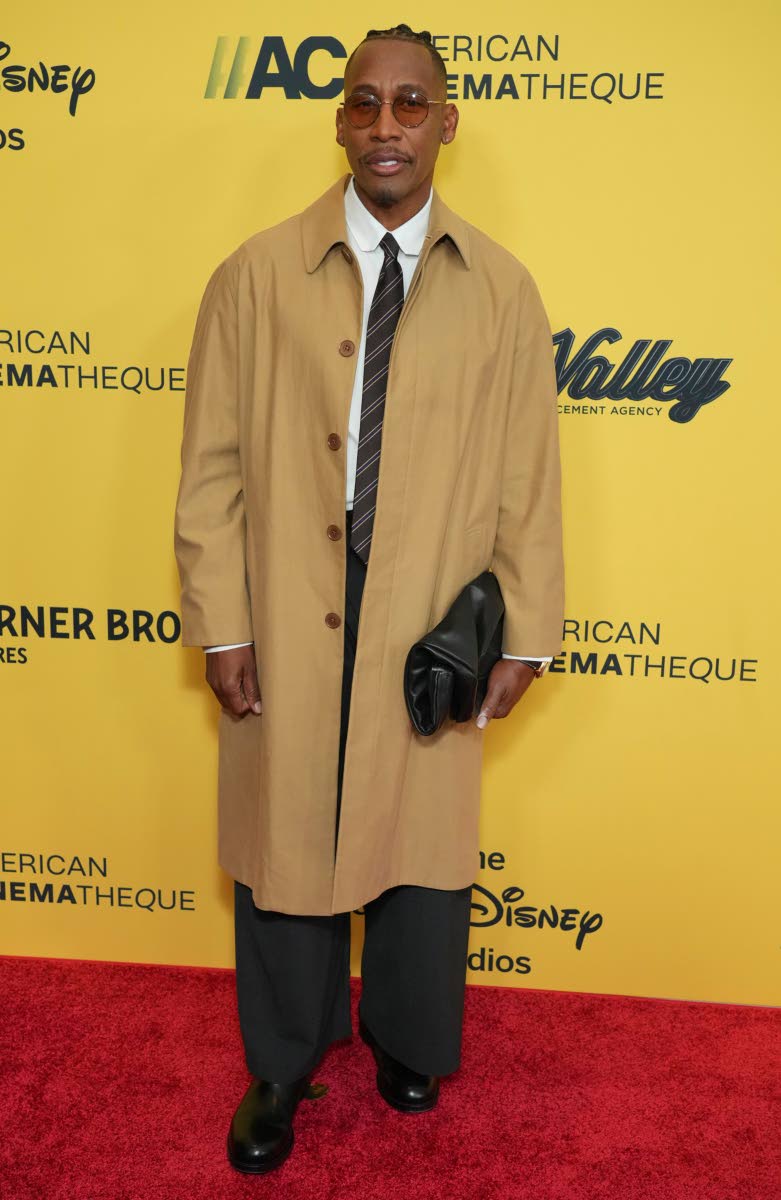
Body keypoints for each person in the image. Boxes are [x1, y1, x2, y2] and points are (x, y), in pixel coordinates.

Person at [174, 22, 565, 1175]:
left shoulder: (501, 290)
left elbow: (527, 474)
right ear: (338, 120)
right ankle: (283, 1064)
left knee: (420, 832)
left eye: (410, 104)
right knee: (287, 828)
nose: (385, 126)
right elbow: (209, 467)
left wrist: (528, 628)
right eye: (363, 104)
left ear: (447, 121)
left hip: (429, 598)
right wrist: (225, 620)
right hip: (288, 595)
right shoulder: (253, 275)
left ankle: (406, 1038)